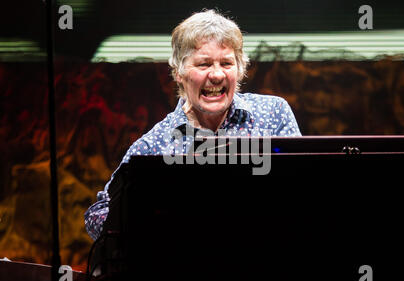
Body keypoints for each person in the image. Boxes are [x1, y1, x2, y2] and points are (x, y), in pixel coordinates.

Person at [84, 9, 301, 240]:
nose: (217, 75)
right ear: (178, 72)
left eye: (226, 63)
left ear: (240, 69)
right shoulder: (154, 145)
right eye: (204, 64)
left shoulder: (273, 114)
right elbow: (97, 216)